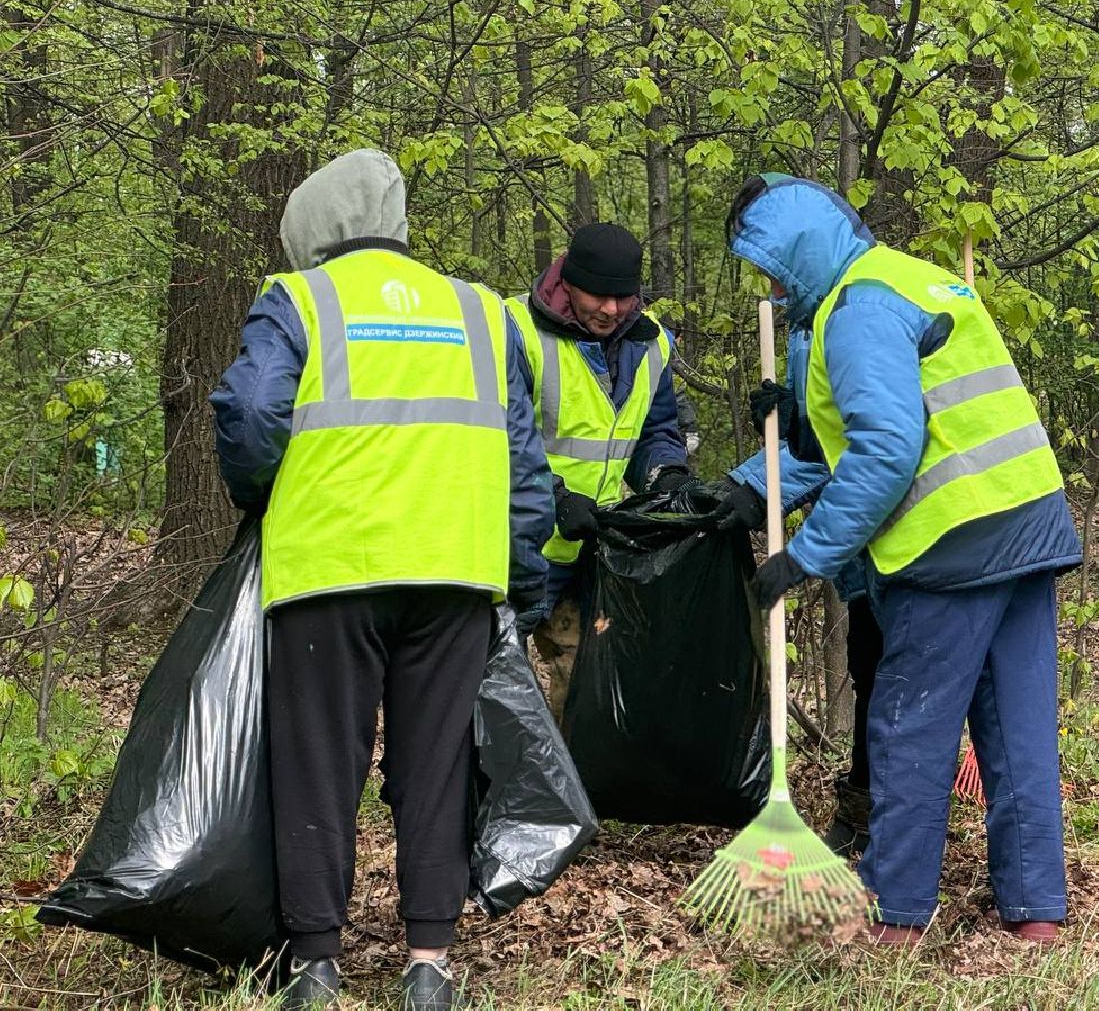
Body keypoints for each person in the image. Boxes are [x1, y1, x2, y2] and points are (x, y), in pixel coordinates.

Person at [211, 149, 553, 1010]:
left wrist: (259, 491)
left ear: (310, 230)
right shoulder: (479, 310)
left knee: (319, 762)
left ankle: (316, 962)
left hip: (332, 569)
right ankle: (428, 962)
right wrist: (519, 573)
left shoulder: (299, 300)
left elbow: (252, 413)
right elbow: (523, 460)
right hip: (454, 573)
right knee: (435, 766)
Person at [726, 173, 1082, 946]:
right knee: (1015, 726)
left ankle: (896, 915)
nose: (773, 287)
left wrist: (808, 556)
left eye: (772, 270)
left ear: (797, 253)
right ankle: (1036, 914)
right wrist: (791, 431)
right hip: (1025, 518)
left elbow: (888, 450)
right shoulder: (912, 277)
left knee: (907, 726)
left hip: (949, 544)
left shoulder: (854, 313)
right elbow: (895, 417)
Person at [506, 222, 702, 722]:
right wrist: (554, 497)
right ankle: (491, 796)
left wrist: (667, 476)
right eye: (599, 295)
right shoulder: (514, 331)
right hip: (513, 546)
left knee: (585, 684)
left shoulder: (652, 342)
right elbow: (500, 437)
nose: (611, 310)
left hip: (594, 547)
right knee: (498, 681)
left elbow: (656, 432)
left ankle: (574, 795)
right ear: (568, 280)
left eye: (623, 297)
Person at [723, 327, 881, 857]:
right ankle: (863, 810)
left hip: (908, 546)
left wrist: (757, 485)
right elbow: (824, 441)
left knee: (893, 680)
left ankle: (895, 823)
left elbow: (866, 447)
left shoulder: (854, 321)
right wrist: (792, 428)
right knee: (868, 668)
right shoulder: (804, 329)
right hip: (869, 557)